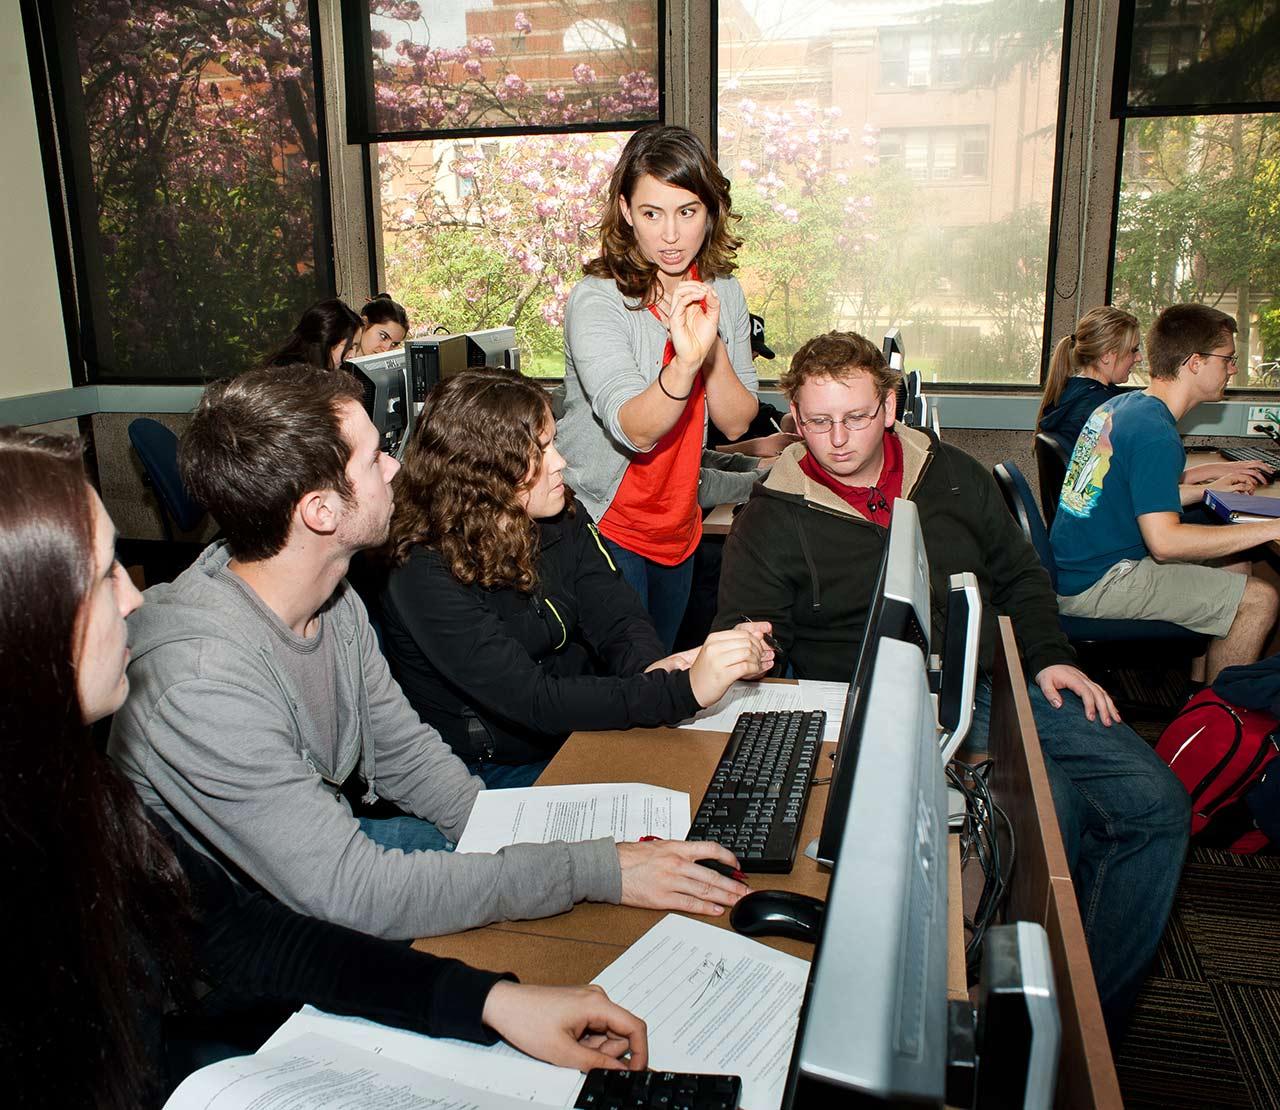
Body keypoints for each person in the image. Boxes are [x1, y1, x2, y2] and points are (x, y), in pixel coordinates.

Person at [0, 427, 648, 1110]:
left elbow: (245, 935)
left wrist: (489, 1001)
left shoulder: (81, 793)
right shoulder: (190, 683)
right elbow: (337, 898)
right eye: (102, 575)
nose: (134, 598)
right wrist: (578, 872)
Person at [108, 366, 750, 944]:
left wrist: (514, 834)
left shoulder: (333, 598)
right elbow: (351, 889)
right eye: (373, 459)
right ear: (321, 511)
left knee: (620, 873)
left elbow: (402, 755)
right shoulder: (201, 681)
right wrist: (593, 869)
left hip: (322, 868)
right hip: (222, 944)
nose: (396, 469)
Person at [712, 330, 1190, 1034]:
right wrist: (746, 650)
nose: (838, 439)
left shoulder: (952, 475)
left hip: (985, 682)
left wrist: (1050, 654)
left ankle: (1086, 1026)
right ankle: (1037, 1025)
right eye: (818, 421)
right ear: (795, 418)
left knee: (1156, 805)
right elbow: (749, 630)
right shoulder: (772, 515)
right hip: (868, 708)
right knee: (1049, 816)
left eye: (856, 417)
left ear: (889, 407)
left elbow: (1022, 575)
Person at [377, 370, 774, 788]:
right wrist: (680, 690)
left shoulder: (558, 514)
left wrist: (651, 668)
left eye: (552, 443)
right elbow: (531, 699)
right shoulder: (420, 569)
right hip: (492, 768)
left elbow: (617, 616)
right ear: (482, 470)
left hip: (569, 731)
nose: (560, 462)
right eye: (540, 450)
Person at [558, 124, 760, 649]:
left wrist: (709, 345)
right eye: (652, 214)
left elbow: (737, 421)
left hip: (678, 524)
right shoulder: (598, 299)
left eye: (687, 212)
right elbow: (635, 429)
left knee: (664, 669)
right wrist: (685, 362)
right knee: (632, 678)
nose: (671, 235)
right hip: (604, 521)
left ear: (710, 211)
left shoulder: (724, 291)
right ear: (626, 211)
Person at [1051, 303, 1280, 683]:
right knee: (1260, 598)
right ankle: (1217, 716)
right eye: (1228, 359)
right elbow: (1165, 543)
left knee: (1234, 562)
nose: (1233, 369)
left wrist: (1205, 493)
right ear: (1195, 363)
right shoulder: (1155, 433)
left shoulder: (1123, 406)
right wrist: (1272, 528)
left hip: (1078, 567)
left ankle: (1197, 691)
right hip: (1099, 582)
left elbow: (1134, 497)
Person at [1036, 305, 1143, 455]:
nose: (1139, 357)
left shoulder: (1070, 391)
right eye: (1133, 350)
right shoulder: (1102, 410)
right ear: (1106, 355)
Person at [267, 298, 362, 370]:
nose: (352, 355)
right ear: (327, 339)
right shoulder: (294, 380)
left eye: (356, 347)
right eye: (349, 347)